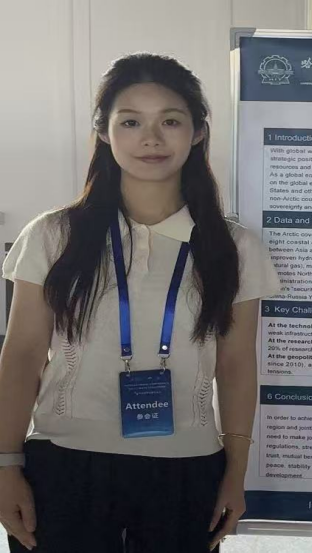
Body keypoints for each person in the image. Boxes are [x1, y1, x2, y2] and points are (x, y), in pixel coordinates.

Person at [0, 53, 279, 552]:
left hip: (187, 467)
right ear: (104, 132)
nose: (151, 138)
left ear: (197, 132)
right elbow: (21, 355)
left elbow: (236, 365)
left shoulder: (234, 248)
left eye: (170, 121)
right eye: (130, 122)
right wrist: (5, 464)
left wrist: (236, 472)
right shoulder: (53, 236)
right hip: (65, 462)